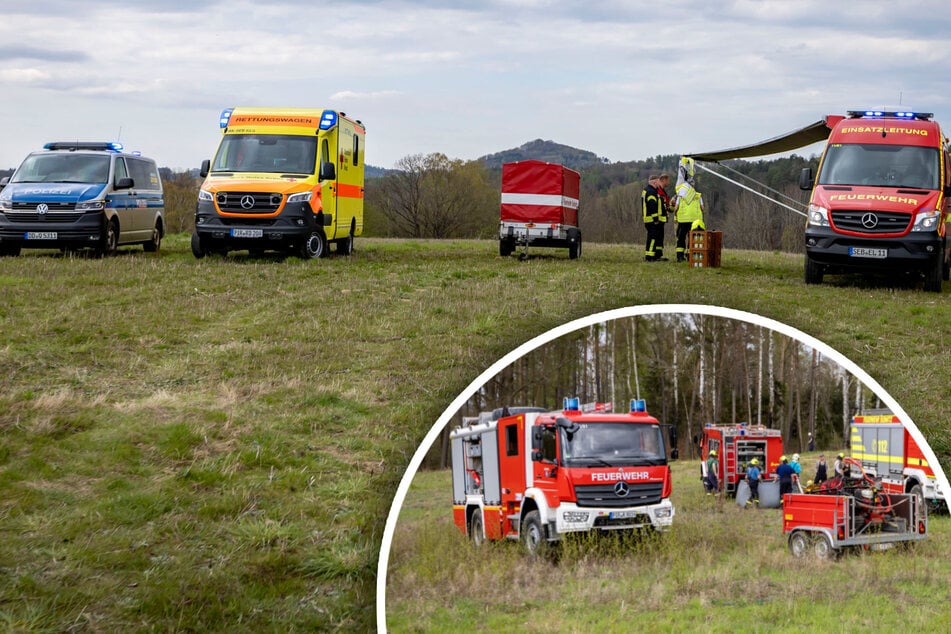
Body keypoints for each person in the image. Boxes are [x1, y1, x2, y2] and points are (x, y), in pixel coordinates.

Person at [672, 157, 705, 262]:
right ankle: (690, 256)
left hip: (683, 220)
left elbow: (676, 207)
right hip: (695, 220)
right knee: (692, 238)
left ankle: (679, 256)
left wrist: (675, 215)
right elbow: (702, 208)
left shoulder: (680, 195)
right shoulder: (698, 195)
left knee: (681, 238)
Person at [642, 173, 670, 261]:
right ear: (654, 182)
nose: (659, 184)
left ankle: (656, 255)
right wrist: (655, 219)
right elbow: (652, 206)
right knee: (652, 238)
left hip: (650, 219)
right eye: (658, 182)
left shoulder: (649, 190)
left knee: (656, 237)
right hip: (651, 219)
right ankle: (649, 256)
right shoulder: (651, 191)